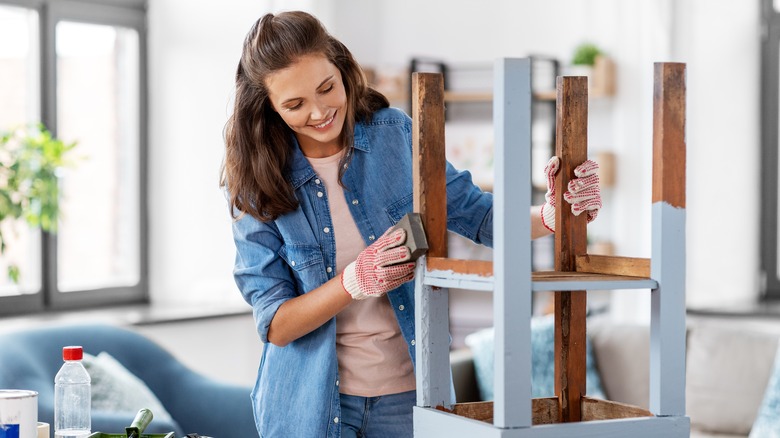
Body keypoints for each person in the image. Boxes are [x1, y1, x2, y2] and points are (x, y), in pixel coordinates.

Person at [220, 10, 602, 438]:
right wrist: (354, 281)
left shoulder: (395, 137)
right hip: (308, 407)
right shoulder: (258, 183)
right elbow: (274, 324)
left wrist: (552, 215)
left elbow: (480, 216)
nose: (320, 111)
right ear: (268, 107)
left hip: (410, 399)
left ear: (343, 69)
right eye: (294, 104)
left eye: (327, 88)